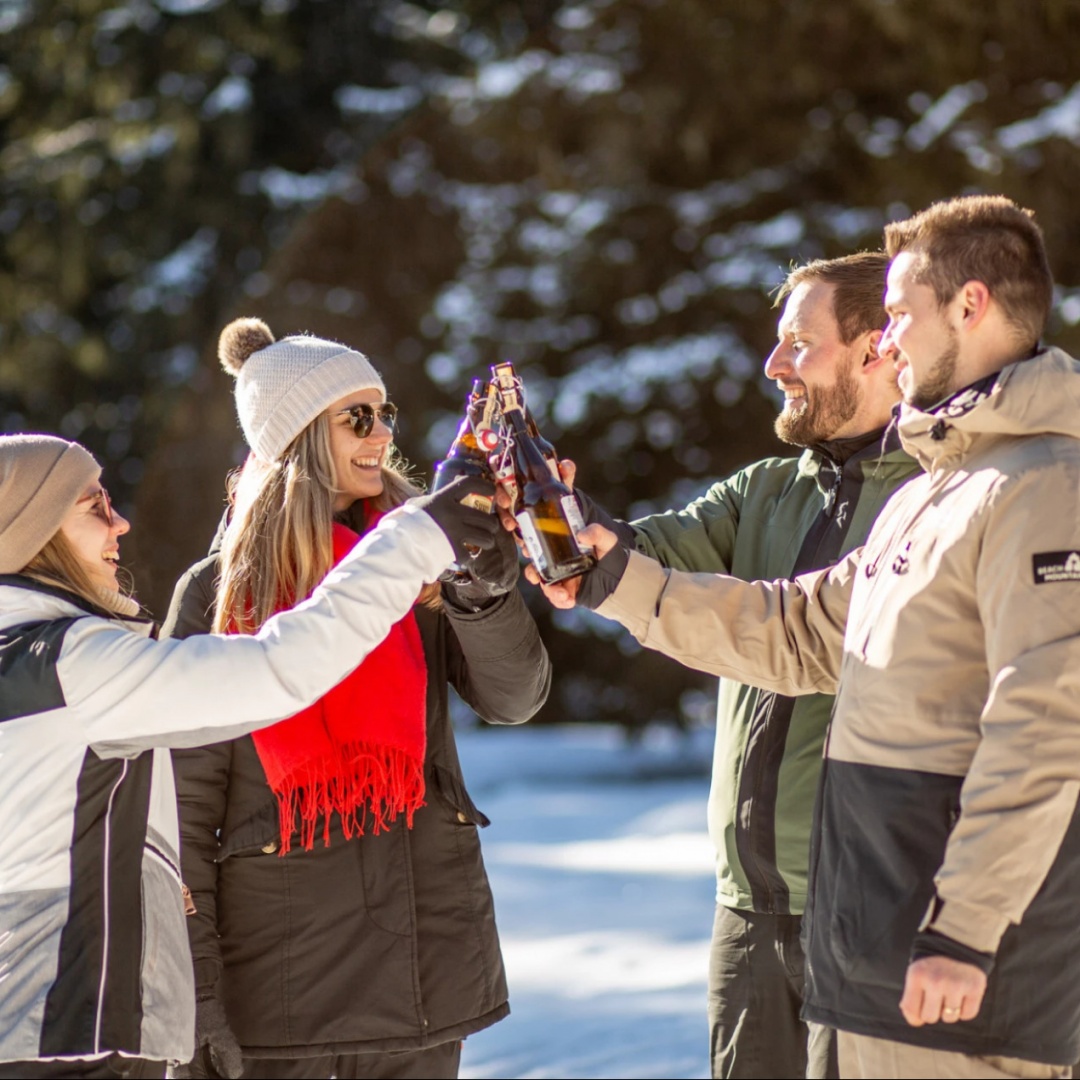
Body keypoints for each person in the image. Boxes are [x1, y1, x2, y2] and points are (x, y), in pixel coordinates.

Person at [572, 195, 1080, 1079]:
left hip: (963, 971)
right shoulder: (932, 493)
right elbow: (801, 629)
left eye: (900, 315)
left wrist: (965, 928)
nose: (891, 341)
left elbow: (1048, 724)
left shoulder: (1041, 486)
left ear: (970, 305)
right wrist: (611, 576)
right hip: (878, 947)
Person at [0, 432, 499, 1079]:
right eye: (93, 506)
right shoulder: (70, 664)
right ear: (34, 529)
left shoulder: (23, 661)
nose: (120, 522)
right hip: (67, 1032)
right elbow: (280, 667)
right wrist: (418, 536)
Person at [534, 252, 917, 1079]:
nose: (773, 364)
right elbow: (644, 553)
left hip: (877, 913)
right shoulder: (765, 491)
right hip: (748, 912)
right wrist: (557, 519)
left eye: (798, 343)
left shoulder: (935, 502)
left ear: (877, 348)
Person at [163, 319, 550, 1080]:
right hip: (278, 986)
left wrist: (484, 594)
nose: (383, 435)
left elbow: (515, 699)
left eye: (385, 413)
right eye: (358, 417)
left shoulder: (429, 555)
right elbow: (179, 812)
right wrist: (196, 997)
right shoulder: (219, 592)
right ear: (301, 436)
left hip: (421, 968)